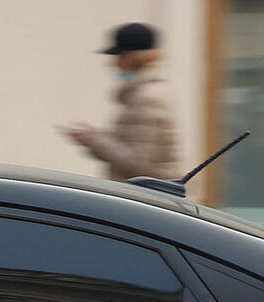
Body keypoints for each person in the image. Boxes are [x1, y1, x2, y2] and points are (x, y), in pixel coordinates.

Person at [64, 22, 178, 182]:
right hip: (144, 191)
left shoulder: (147, 98)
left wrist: (92, 138)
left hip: (145, 193)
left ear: (136, 58)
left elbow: (137, 162)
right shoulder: (142, 95)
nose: (114, 64)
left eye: (120, 57)